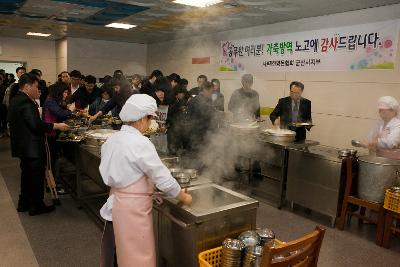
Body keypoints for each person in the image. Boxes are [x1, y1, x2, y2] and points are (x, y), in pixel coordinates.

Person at [99, 94, 192, 267]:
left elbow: (128, 176)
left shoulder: (112, 140)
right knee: (139, 257)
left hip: (118, 204)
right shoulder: (141, 143)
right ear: (142, 118)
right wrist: (181, 195)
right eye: (150, 119)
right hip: (134, 211)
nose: (150, 124)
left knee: (124, 253)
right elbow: (162, 177)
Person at [7, 73, 69, 216]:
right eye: (36, 86)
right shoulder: (27, 102)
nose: (38, 90)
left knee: (27, 176)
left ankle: (24, 203)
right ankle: (37, 206)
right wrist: (56, 126)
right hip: (32, 146)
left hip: (22, 146)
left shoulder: (15, 99)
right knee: (35, 177)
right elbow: (35, 125)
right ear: (27, 86)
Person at [43, 82, 74, 194]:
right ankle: (51, 186)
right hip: (49, 134)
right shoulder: (50, 100)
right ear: (59, 92)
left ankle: (53, 183)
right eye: (65, 92)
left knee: (53, 159)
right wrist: (70, 110)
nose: (66, 94)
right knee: (50, 161)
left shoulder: (53, 100)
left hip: (53, 133)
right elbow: (60, 114)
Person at [187, 81, 216, 150]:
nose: (211, 94)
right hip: (198, 133)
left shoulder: (206, 100)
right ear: (205, 90)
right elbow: (205, 116)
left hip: (200, 132)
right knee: (198, 153)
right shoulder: (196, 100)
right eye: (211, 91)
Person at [166, 85, 190, 155]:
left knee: (179, 150)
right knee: (173, 150)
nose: (183, 95)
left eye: (183, 93)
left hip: (179, 130)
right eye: (181, 93)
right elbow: (169, 117)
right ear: (177, 93)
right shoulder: (173, 103)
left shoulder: (181, 102)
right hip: (173, 130)